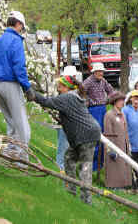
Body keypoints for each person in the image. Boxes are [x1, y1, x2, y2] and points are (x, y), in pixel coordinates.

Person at [31, 75, 101, 204]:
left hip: (86, 136)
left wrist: (33, 94)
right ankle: (71, 192)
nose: (57, 88)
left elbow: (47, 102)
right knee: (69, 158)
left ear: (65, 87)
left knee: (85, 168)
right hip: (84, 135)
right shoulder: (74, 96)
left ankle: (86, 200)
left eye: (59, 86)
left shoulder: (68, 97)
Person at [0, 11, 34, 162]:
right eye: (22, 27)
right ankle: (23, 159)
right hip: (10, 84)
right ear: (18, 24)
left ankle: (10, 152)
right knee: (22, 123)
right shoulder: (16, 41)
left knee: (10, 121)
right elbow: (19, 67)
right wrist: (27, 87)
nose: (21, 30)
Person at [83, 62, 114, 171]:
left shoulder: (103, 81)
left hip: (103, 109)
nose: (101, 73)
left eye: (102, 72)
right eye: (100, 71)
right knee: (95, 136)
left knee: (104, 136)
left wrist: (109, 100)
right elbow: (80, 93)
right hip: (93, 110)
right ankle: (94, 166)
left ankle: (101, 163)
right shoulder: (88, 82)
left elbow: (111, 91)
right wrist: (87, 102)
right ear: (94, 72)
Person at [104, 91, 132, 189]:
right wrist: (110, 149)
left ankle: (124, 186)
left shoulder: (123, 114)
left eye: (123, 100)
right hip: (114, 145)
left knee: (123, 166)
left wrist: (128, 145)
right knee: (114, 168)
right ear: (114, 102)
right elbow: (107, 134)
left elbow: (125, 131)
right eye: (120, 100)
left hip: (123, 145)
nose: (122, 102)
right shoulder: (109, 115)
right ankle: (113, 186)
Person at [56, 66, 81, 172]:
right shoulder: (63, 90)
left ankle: (69, 169)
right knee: (63, 146)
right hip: (64, 124)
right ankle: (60, 168)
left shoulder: (76, 90)